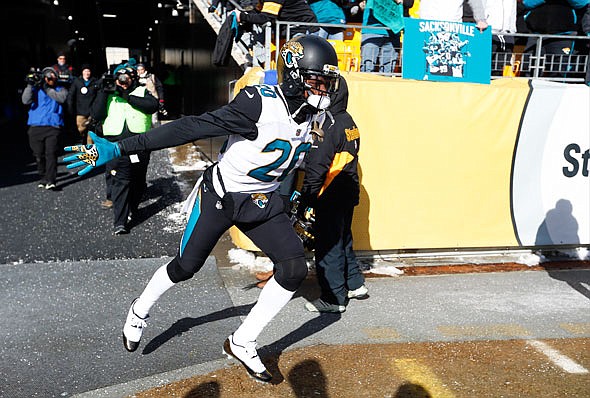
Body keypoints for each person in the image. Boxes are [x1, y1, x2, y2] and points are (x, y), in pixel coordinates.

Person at [63, 35, 341, 383]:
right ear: (295, 74)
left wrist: (300, 203)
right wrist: (121, 149)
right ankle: (139, 310)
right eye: (316, 79)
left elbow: (294, 163)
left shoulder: (315, 116)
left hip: (262, 202)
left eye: (327, 81)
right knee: (185, 267)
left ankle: (243, 341)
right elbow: (190, 127)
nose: (323, 89)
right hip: (221, 198)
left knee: (293, 268)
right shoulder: (259, 103)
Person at [299, 76, 366, 313]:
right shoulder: (348, 120)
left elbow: (317, 167)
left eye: (322, 87)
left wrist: (306, 199)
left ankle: (333, 298)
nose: (316, 92)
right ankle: (355, 284)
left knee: (328, 246)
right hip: (347, 190)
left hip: (330, 194)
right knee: (343, 239)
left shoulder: (327, 123)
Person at [90, 63, 159, 234]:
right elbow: (97, 114)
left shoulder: (141, 91)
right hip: (115, 145)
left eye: (126, 77)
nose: (123, 81)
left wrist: (127, 95)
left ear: (133, 78)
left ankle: (132, 209)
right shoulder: (108, 94)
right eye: (119, 78)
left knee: (138, 181)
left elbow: (152, 106)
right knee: (120, 182)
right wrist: (105, 92)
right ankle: (119, 222)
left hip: (140, 143)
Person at [21, 67, 68, 190]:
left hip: (53, 125)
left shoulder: (60, 89)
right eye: (48, 77)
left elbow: (61, 98)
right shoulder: (35, 89)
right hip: (36, 125)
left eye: (52, 77)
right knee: (38, 154)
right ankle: (43, 176)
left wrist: (47, 89)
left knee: (51, 153)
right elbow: (25, 101)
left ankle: (51, 179)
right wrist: (30, 85)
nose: (50, 79)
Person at [521, 0, 590, 78]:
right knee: (528, 68)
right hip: (536, 33)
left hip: (563, 35)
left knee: (558, 72)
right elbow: (527, 3)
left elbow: (582, 3)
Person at [360, 0, 410, 75]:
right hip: (372, 30)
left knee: (388, 71)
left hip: (393, 32)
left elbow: (410, 3)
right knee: (367, 69)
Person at [67, 64, 98, 145]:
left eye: (88, 71)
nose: (87, 73)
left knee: (91, 131)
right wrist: (70, 108)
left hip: (91, 111)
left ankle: (89, 148)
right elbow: (71, 95)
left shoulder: (95, 82)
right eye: (85, 71)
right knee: (81, 129)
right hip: (80, 111)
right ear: (82, 72)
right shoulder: (77, 82)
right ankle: (82, 140)